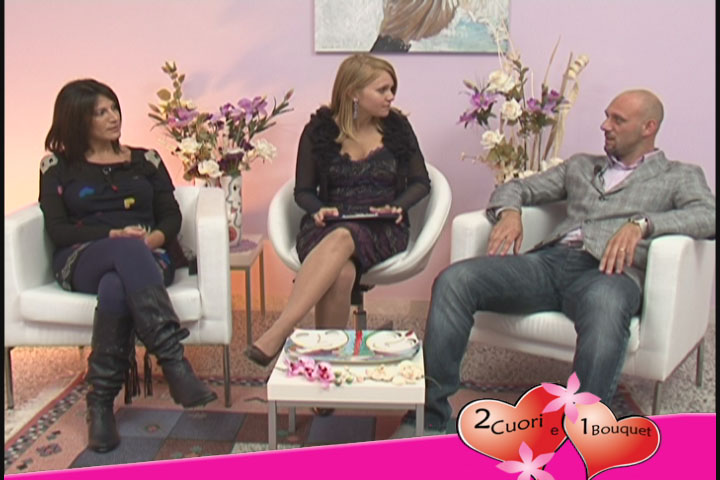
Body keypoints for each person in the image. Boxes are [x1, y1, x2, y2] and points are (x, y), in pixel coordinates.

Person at [393, 89, 716, 437]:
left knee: (605, 305)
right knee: (455, 280)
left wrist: (642, 224)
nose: (605, 125)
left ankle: (583, 430)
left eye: (618, 120)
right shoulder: (581, 165)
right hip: (549, 265)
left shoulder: (679, 175)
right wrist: (510, 213)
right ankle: (430, 417)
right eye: (606, 116)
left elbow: (707, 216)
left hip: (610, 274)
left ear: (648, 127)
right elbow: (517, 188)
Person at [39, 79, 218, 453]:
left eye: (114, 108)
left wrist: (151, 240)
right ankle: (173, 361)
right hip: (83, 256)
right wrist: (114, 235)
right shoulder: (56, 167)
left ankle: (100, 403)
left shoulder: (146, 160)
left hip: (149, 256)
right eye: (100, 112)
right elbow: (58, 229)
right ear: (77, 120)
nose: (113, 117)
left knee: (116, 285)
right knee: (123, 252)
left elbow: (170, 216)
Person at [246, 53, 431, 366]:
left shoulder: (398, 128)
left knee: (345, 237)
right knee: (342, 274)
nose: (390, 96)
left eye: (392, 89)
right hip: (329, 223)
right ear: (353, 93)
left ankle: (280, 331)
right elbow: (303, 191)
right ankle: (326, 365)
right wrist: (318, 210)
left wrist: (397, 206)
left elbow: (420, 182)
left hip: (382, 227)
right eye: (382, 90)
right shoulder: (319, 131)